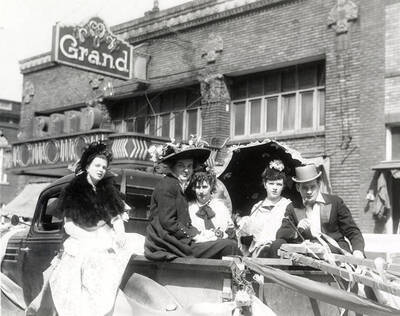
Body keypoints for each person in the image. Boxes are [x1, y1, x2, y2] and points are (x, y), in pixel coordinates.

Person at [28, 142, 133, 316]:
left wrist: (120, 233)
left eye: (104, 167)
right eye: (97, 165)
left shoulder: (107, 188)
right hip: (80, 236)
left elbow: (115, 217)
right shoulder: (74, 189)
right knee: (80, 264)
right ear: (87, 166)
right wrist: (89, 238)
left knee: (124, 248)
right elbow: (69, 226)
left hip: (104, 233)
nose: (100, 170)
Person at [144, 141, 241, 261]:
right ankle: (240, 279)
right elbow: (168, 222)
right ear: (172, 166)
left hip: (176, 242)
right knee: (229, 246)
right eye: (181, 165)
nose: (186, 170)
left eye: (189, 166)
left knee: (224, 242)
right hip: (168, 245)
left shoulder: (175, 185)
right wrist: (195, 235)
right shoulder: (167, 186)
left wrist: (201, 234)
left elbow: (183, 222)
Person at [277, 164, 365, 258]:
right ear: (298, 188)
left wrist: (358, 251)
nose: (309, 192)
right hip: (307, 255)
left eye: (312, 187)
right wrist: (297, 231)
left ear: (319, 185)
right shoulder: (292, 207)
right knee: (277, 245)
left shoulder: (335, 202)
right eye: (305, 188)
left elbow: (352, 231)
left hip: (335, 252)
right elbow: (281, 234)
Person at [236, 160, 291, 258]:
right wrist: (244, 223)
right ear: (265, 184)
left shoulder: (286, 205)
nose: (275, 188)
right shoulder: (257, 207)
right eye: (271, 183)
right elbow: (248, 233)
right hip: (258, 250)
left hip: (277, 250)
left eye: (279, 184)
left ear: (283, 187)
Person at [188, 170, 236, 241]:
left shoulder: (220, 207)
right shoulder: (190, 208)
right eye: (198, 187)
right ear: (194, 188)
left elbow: (230, 232)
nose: (201, 191)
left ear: (211, 187)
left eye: (204, 187)